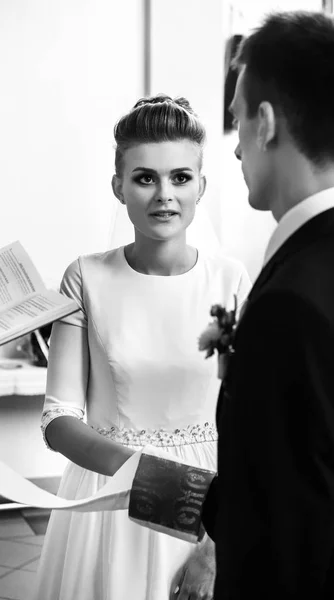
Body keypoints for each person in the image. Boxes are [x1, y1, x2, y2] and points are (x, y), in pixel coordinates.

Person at [201, 10, 334, 599]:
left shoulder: (292, 304)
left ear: (265, 123)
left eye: (236, 119)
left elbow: (280, 550)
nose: (234, 147)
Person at [32, 94, 251, 600]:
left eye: (180, 177)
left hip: (209, 501)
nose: (164, 196)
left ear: (201, 186)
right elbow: (58, 416)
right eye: (145, 178)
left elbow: (250, 421)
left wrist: (217, 543)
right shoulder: (84, 276)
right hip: (109, 496)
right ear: (119, 186)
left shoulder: (231, 279)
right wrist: (144, 474)